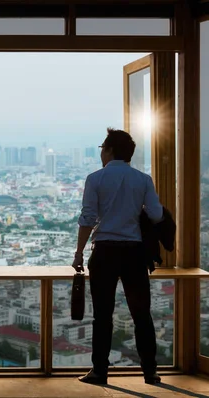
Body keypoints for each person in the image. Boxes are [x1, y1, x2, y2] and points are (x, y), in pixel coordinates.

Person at [72, 128, 163, 386]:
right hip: (134, 253)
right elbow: (156, 215)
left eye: (102, 147)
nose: (101, 151)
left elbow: (88, 218)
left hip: (105, 252)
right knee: (141, 314)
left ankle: (100, 371)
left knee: (103, 315)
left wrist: (79, 253)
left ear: (110, 149)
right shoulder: (143, 180)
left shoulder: (95, 179)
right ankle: (150, 372)